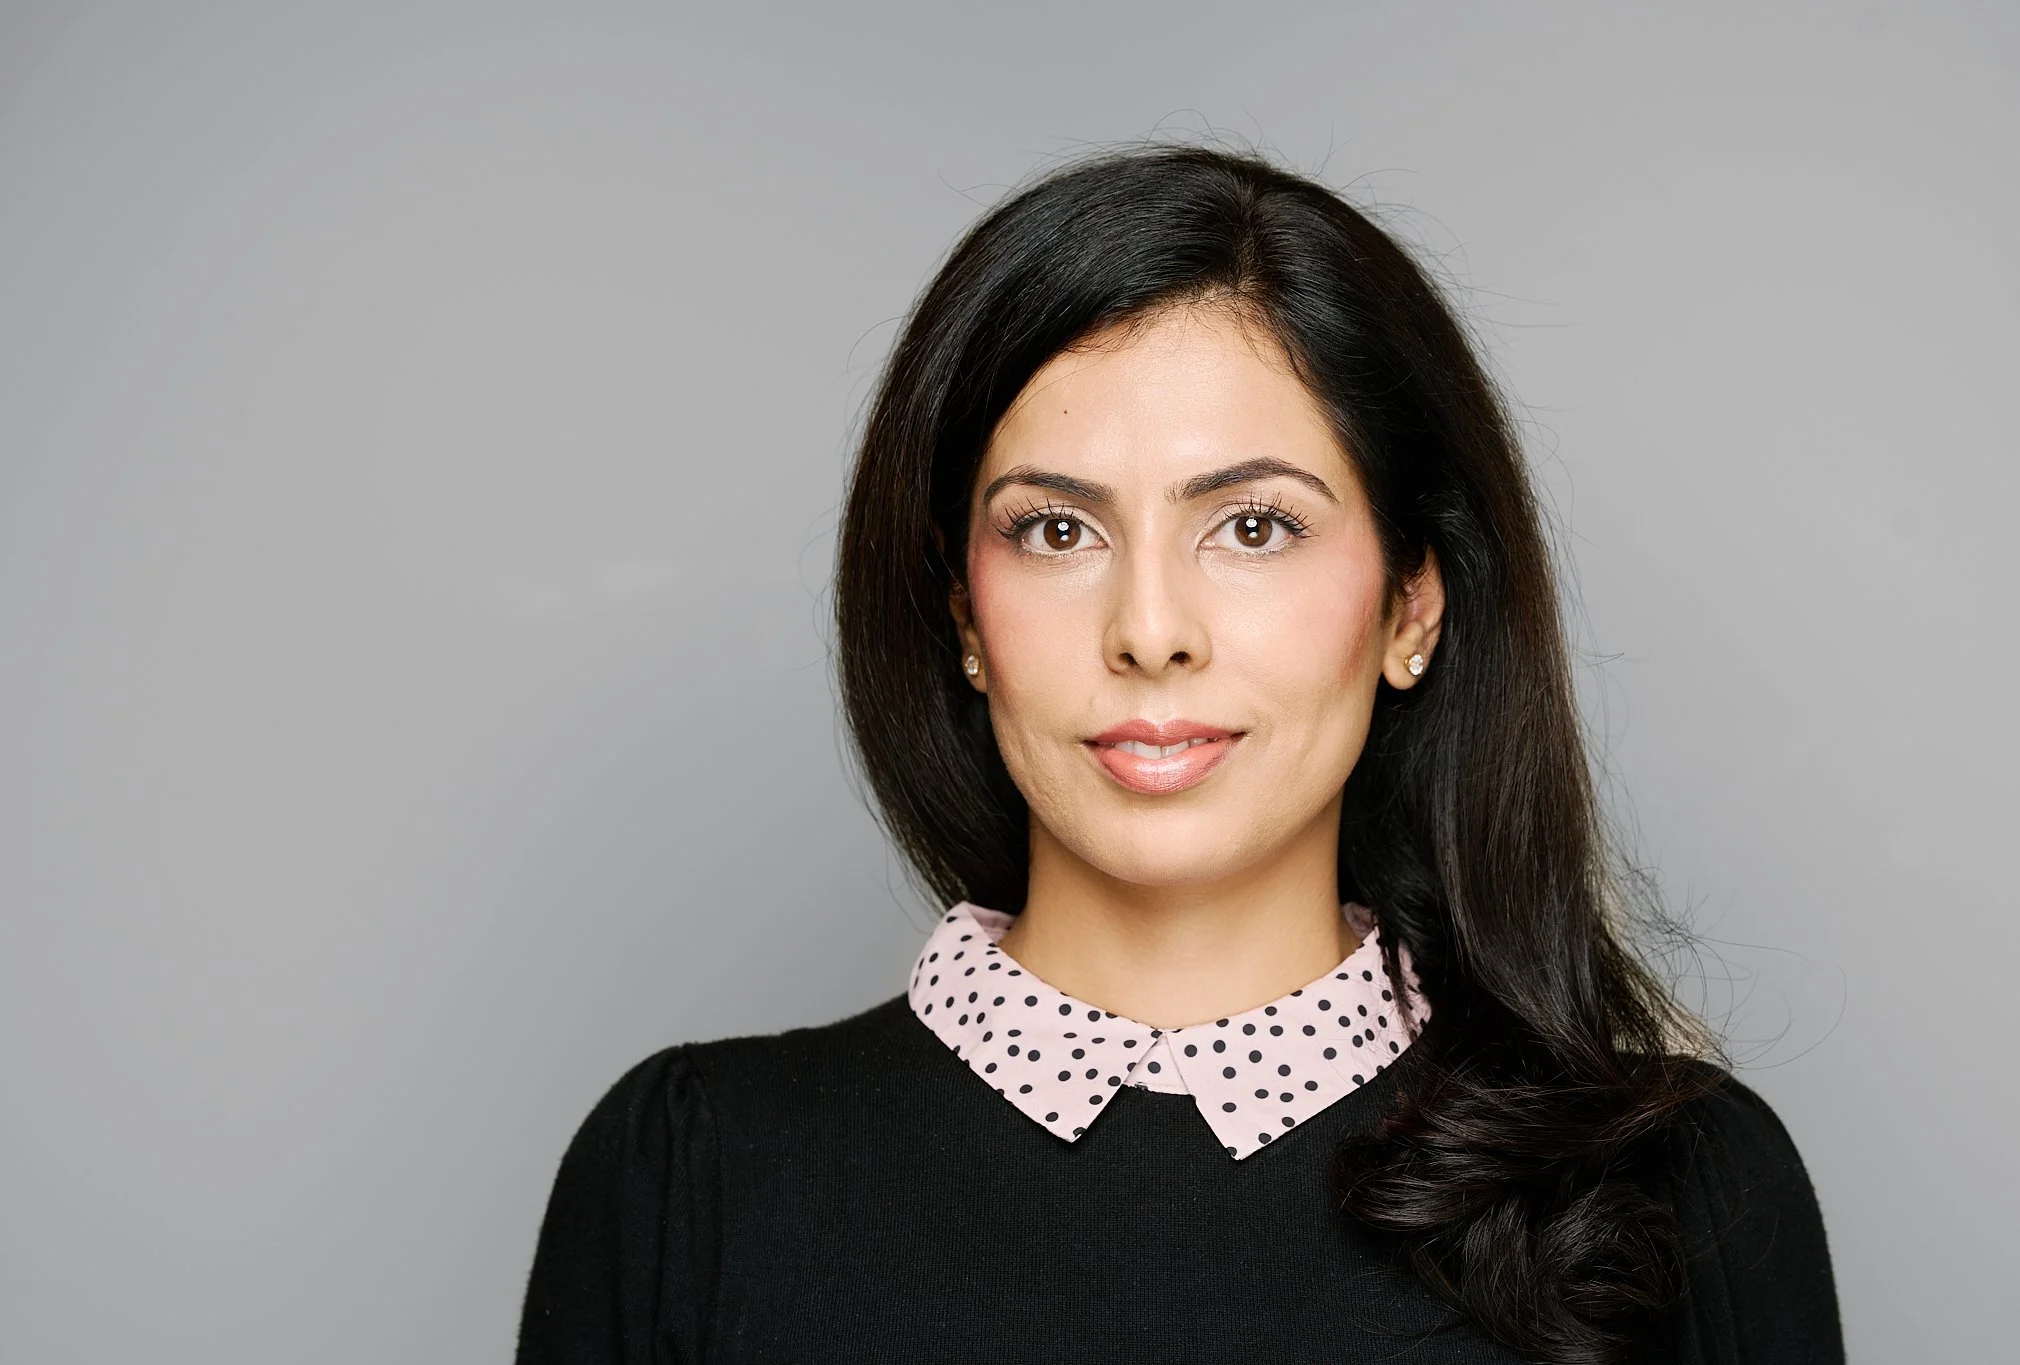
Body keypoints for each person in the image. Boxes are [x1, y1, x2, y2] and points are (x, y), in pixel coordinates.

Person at [514, 144, 1843, 1364]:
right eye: (1056, 532)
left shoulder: (1685, 1193)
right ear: (963, 615)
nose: (1150, 632)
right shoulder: (692, 1181)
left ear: (1411, 607)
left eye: (1254, 529)